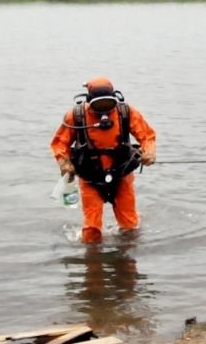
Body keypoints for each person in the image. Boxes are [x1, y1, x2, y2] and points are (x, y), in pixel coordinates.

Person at [51, 77, 156, 244]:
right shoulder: (76, 116)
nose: (104, 111)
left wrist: (149, 152)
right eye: (99, 105)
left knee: (130, 228)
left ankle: (126, 261)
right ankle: (92, 262)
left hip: (121, 176)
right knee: (91, 232)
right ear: (88, 101)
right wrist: (64, 163)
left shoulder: (125, 112)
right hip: (90, 178)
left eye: (108, 104)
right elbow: (59, 143)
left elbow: (147, 135)